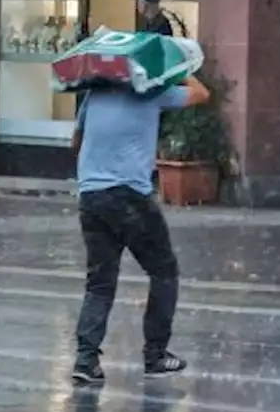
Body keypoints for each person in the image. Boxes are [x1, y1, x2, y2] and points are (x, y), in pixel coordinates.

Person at [70, 73, 212, 384]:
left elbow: (75, 142)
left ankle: (86, 359)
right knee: (164, 271)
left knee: (100, 282)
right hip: (130, 196)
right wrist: (177, 70)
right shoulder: (152, 91)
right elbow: (202, 94)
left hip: (91, 197)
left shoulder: (94, 95)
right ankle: (155, 355)